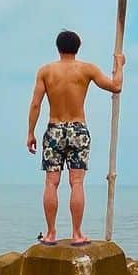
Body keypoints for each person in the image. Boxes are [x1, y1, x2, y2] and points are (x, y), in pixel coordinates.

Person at [26, 29, 125, 246]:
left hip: (54, 129)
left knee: (51, 182)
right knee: (77, 181)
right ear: (77, 47)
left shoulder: (46, 71)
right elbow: (115, 86)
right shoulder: (86, 69)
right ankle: (77, 234)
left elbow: (35, 104)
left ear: (58, 48)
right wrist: (120, 65)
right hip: (78, 129)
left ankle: (50, 234)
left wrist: (31, 132)